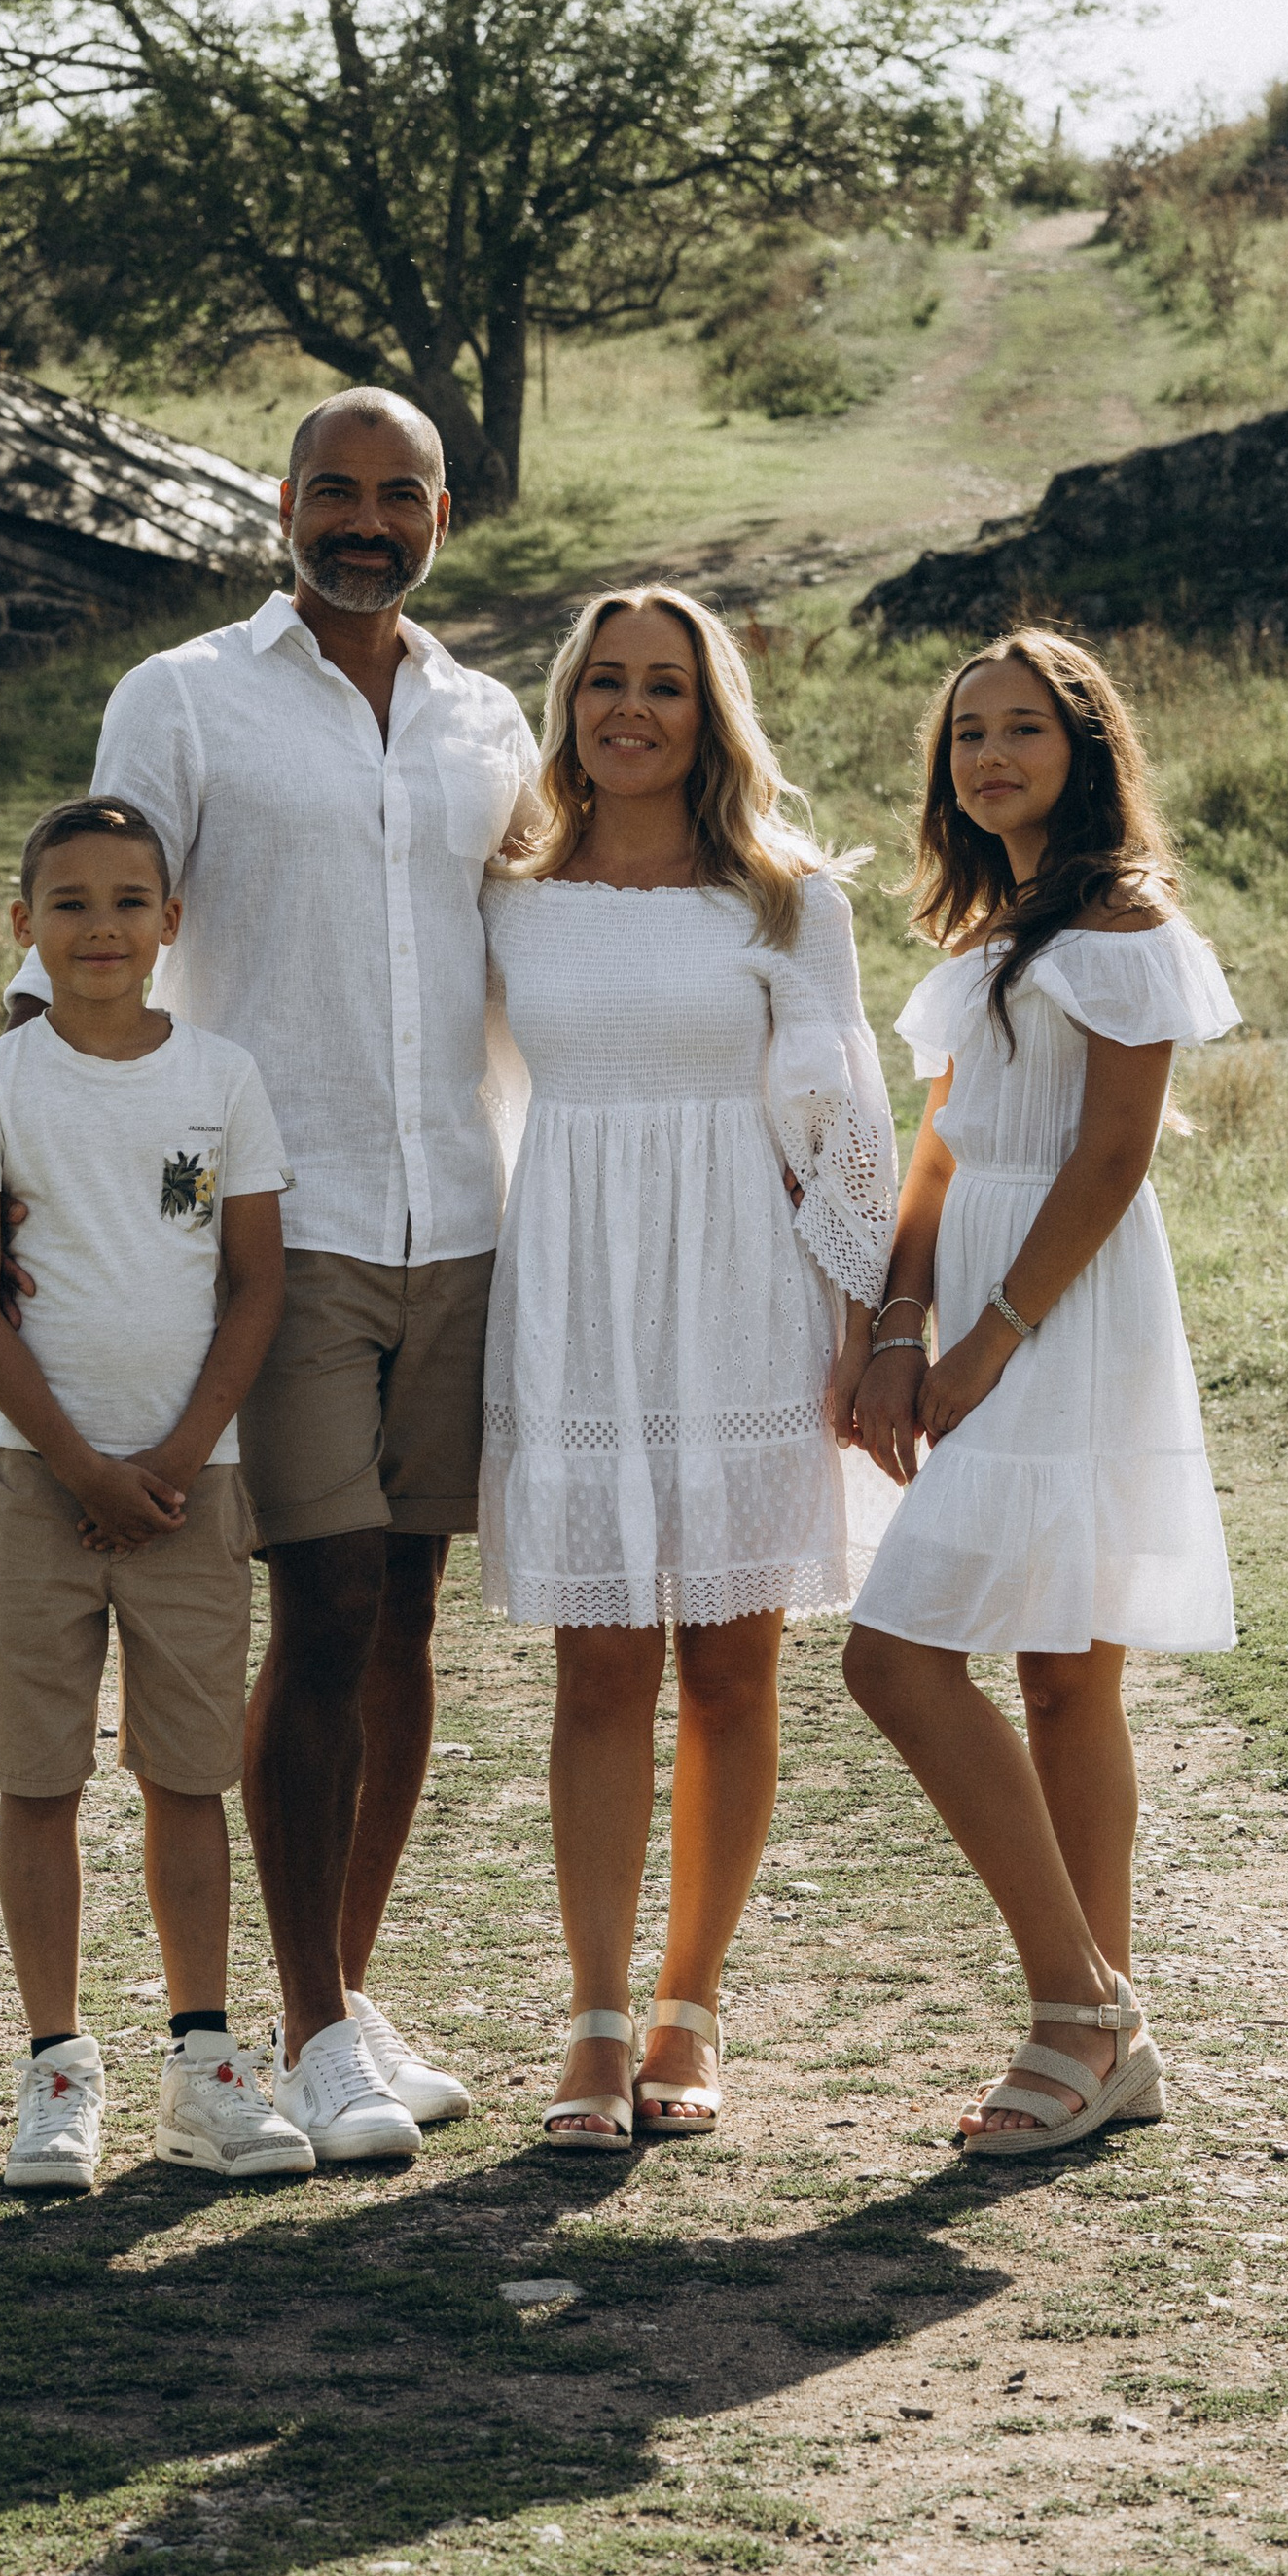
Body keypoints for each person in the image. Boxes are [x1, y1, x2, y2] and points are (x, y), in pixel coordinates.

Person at [14, 391, 541, 2165]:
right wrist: (40, 1179)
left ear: (442, 516)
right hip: (281, 1226)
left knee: (402, 1616)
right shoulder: (183, 697)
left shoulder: (487, 719)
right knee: (317, 1608)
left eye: (400, 497)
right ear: (284, 504)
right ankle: (303, 2025)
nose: (366, 523)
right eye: (335, 491)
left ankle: (344, 2001)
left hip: (457, 1217)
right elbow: (89, 928)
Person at [478, 586, 898, 2151]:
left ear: (709, 713)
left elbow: (847, 1131)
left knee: (731, 1665)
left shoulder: (787, 900)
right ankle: (592, 2021)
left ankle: (689, 2006)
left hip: (744, 1291)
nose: (630, 710)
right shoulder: (509, 897)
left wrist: (863, 1336)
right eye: (605, 683)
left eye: (664, 685)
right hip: (577, 1288)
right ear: (570, 703)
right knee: (599, 1664)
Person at [841, 628, 1240, 2155]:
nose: (991, 758)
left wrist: (985, 1341)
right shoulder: (986, 934)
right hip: (984, 1298)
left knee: (922, 1661)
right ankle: (1100, 2021)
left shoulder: (1124, 922)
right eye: (967, 739)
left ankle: (1080, 2008)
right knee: (1050, 1667)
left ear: (1086, 747)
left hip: (1069, 1314)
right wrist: (894, 1325)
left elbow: (1114, 1153)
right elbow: (939, 1153)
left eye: (1022, 730)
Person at [0, 795, 313, 2190]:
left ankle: (206, 2065)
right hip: (36, 1482)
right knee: (39, 1779)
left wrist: (172, 1454)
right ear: (25, 927)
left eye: (128, 900)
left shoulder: (221, 1076)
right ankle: (55, 2070)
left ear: (173, 921)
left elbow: (257, 1283)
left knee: (187, 1776)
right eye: (71, 903)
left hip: (189, 1491)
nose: (102, 927)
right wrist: (83, 1465)